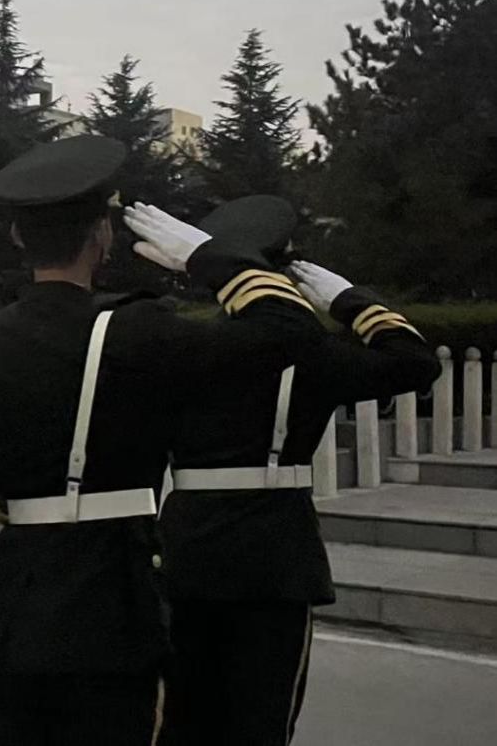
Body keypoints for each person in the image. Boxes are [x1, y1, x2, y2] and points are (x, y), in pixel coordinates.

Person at [0, 134, 337, 746]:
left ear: (17, 237)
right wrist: (208, 257)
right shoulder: (136, 332)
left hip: (16, 612)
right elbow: (289, 330)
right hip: (117, 609)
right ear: (103, 236)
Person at [157, 195, 440, 746]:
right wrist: (351, 302)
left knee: (182, 721)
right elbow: (415, 362)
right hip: (275, 554)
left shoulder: (185, 341)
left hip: (187, 545)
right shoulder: (313, 355)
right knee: (261, 721)